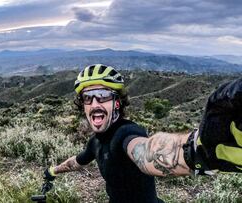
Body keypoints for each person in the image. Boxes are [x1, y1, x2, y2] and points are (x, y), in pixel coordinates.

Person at [43, 64, 242, 203]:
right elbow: (77, 161)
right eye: (88, 98)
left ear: (117, 103)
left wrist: (196, 150)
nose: (95, 103)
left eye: (103, 96)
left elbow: (146, 152)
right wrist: (53, 171)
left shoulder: (126, 133)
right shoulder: (95, 142)